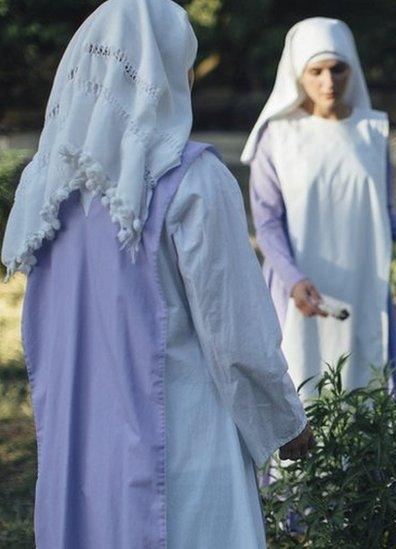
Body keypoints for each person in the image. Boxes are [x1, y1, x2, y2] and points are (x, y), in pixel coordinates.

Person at [1, 1, 312, 547]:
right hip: (183, 454)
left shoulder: (47, 188)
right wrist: (284, 423)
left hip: (82, 454)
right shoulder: (192, 178)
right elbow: (235, 332)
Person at [241, 18, 396, 401]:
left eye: (337, 68)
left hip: (363, 285)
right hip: (298, 290)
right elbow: (267, 224)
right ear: (297, 74)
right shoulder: (278, 137)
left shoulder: (372, 132)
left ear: (352, 67)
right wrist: (293, 279)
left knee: (366, 389)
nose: (328, 82)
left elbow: (380, 214)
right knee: (301, 391)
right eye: (315, 71)